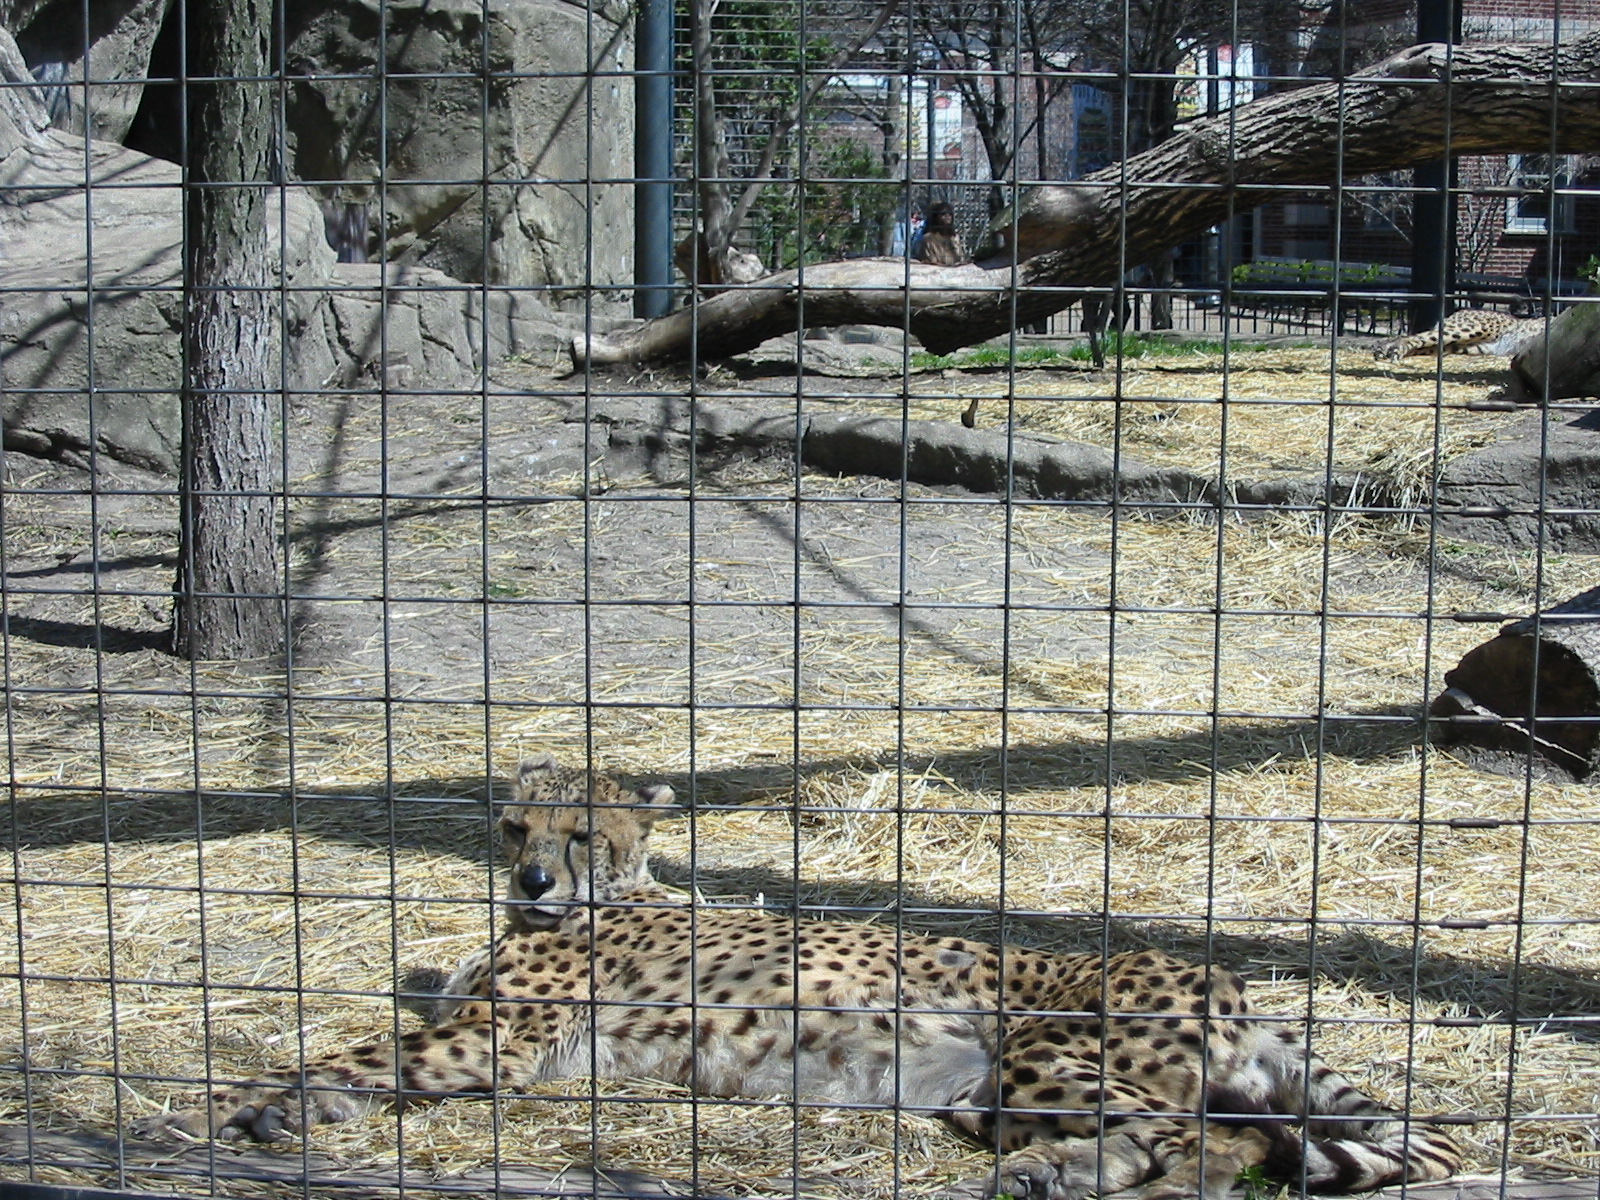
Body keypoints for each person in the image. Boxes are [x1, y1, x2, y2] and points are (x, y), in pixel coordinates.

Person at [915, 201, 965, 266]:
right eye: (943, 214)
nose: (947, 216)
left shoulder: (954, 237)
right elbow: (929, 262)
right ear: (936, 217)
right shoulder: (929, 239)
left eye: (949, 214)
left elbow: (960, 258)